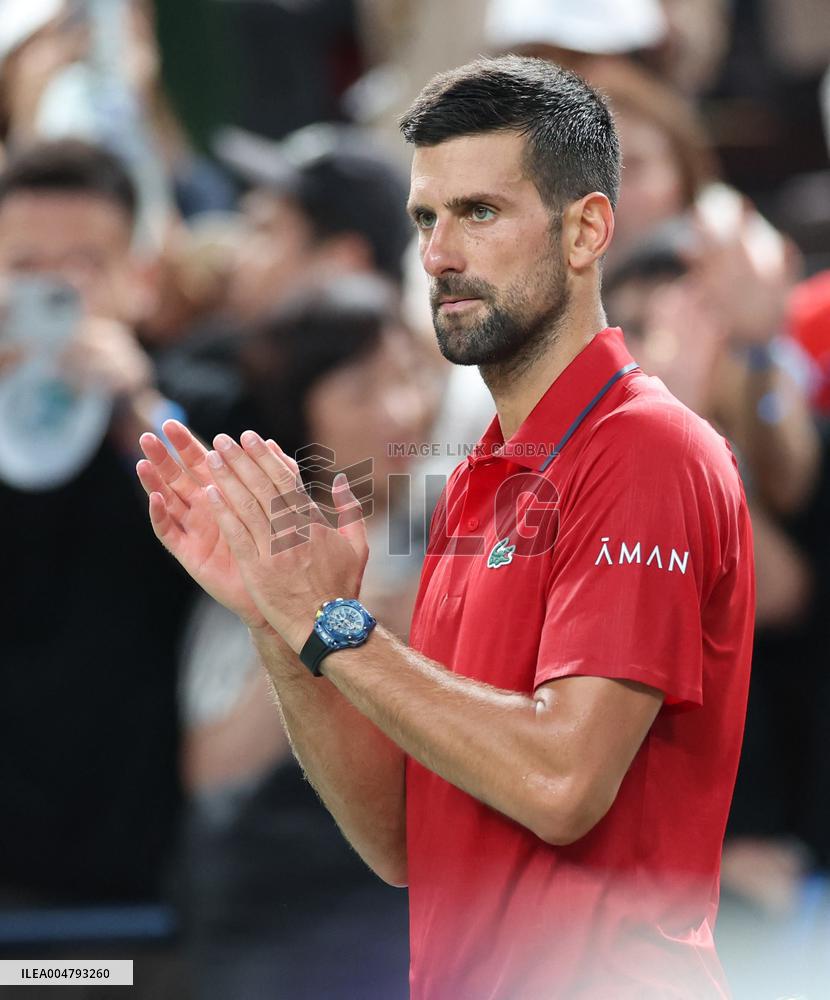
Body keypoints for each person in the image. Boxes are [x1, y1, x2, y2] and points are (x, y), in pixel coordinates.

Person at [138, 57, 755, 998]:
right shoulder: (474, 479)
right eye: (427, 218)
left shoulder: (647, 452)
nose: (437, 254)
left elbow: (559, 783)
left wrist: (335, 626)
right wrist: (280, 617)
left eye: (480, 212)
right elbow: (399, 839)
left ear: (587, 229)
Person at [0, 140, 193, 998]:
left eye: (83, 265)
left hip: (147, 901)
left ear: (139, 276)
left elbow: (272, 559)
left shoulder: (204, 406)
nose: (52, 293)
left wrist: (139, 412)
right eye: (24, 266)